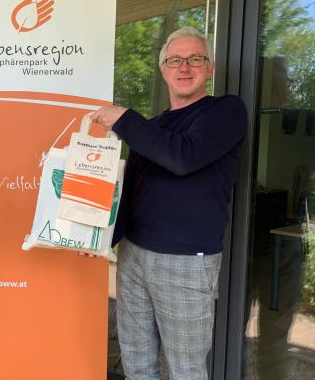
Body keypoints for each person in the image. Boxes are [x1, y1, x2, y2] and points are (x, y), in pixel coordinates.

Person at [92, 26, 248, 379]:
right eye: (174, 60)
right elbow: (131, 191)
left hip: (185, 264)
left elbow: (183, 158)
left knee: (185, 370)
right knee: (136, 364)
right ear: (163, 70)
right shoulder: (154, 126)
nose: (184, 67)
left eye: (195, 59)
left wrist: (125, 119)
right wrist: (99, 240)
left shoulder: (225, 111)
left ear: (210, 68)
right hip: (133, 257)